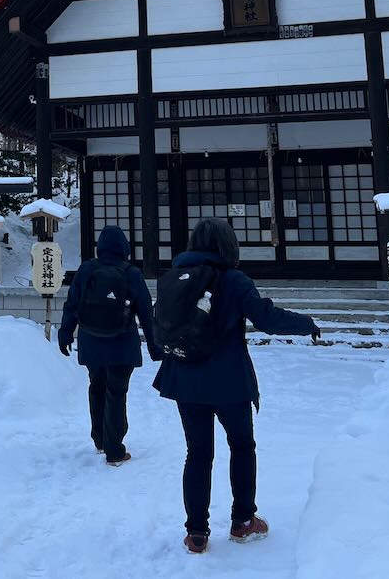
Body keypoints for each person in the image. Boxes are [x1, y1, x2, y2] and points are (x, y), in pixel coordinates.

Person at [153, 217, 320, 555]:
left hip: (185, 377)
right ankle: (243, 520)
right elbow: (267, 319)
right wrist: (306, 324)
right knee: (242, 446)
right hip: (229, 380)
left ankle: (196, 532)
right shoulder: (234, 280)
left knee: (197, 452)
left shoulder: (175, 278)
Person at [58, 224, 159, 466]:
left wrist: (65, 333)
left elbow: (72, 304)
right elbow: (146, 312)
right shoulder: (130, 273)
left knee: (97, 386)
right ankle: (115, 449)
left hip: (91, 341)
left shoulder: (86, 270)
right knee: (116, 391)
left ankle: (100, 439)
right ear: (125, 247)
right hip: (122, 343)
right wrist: (155, 346)